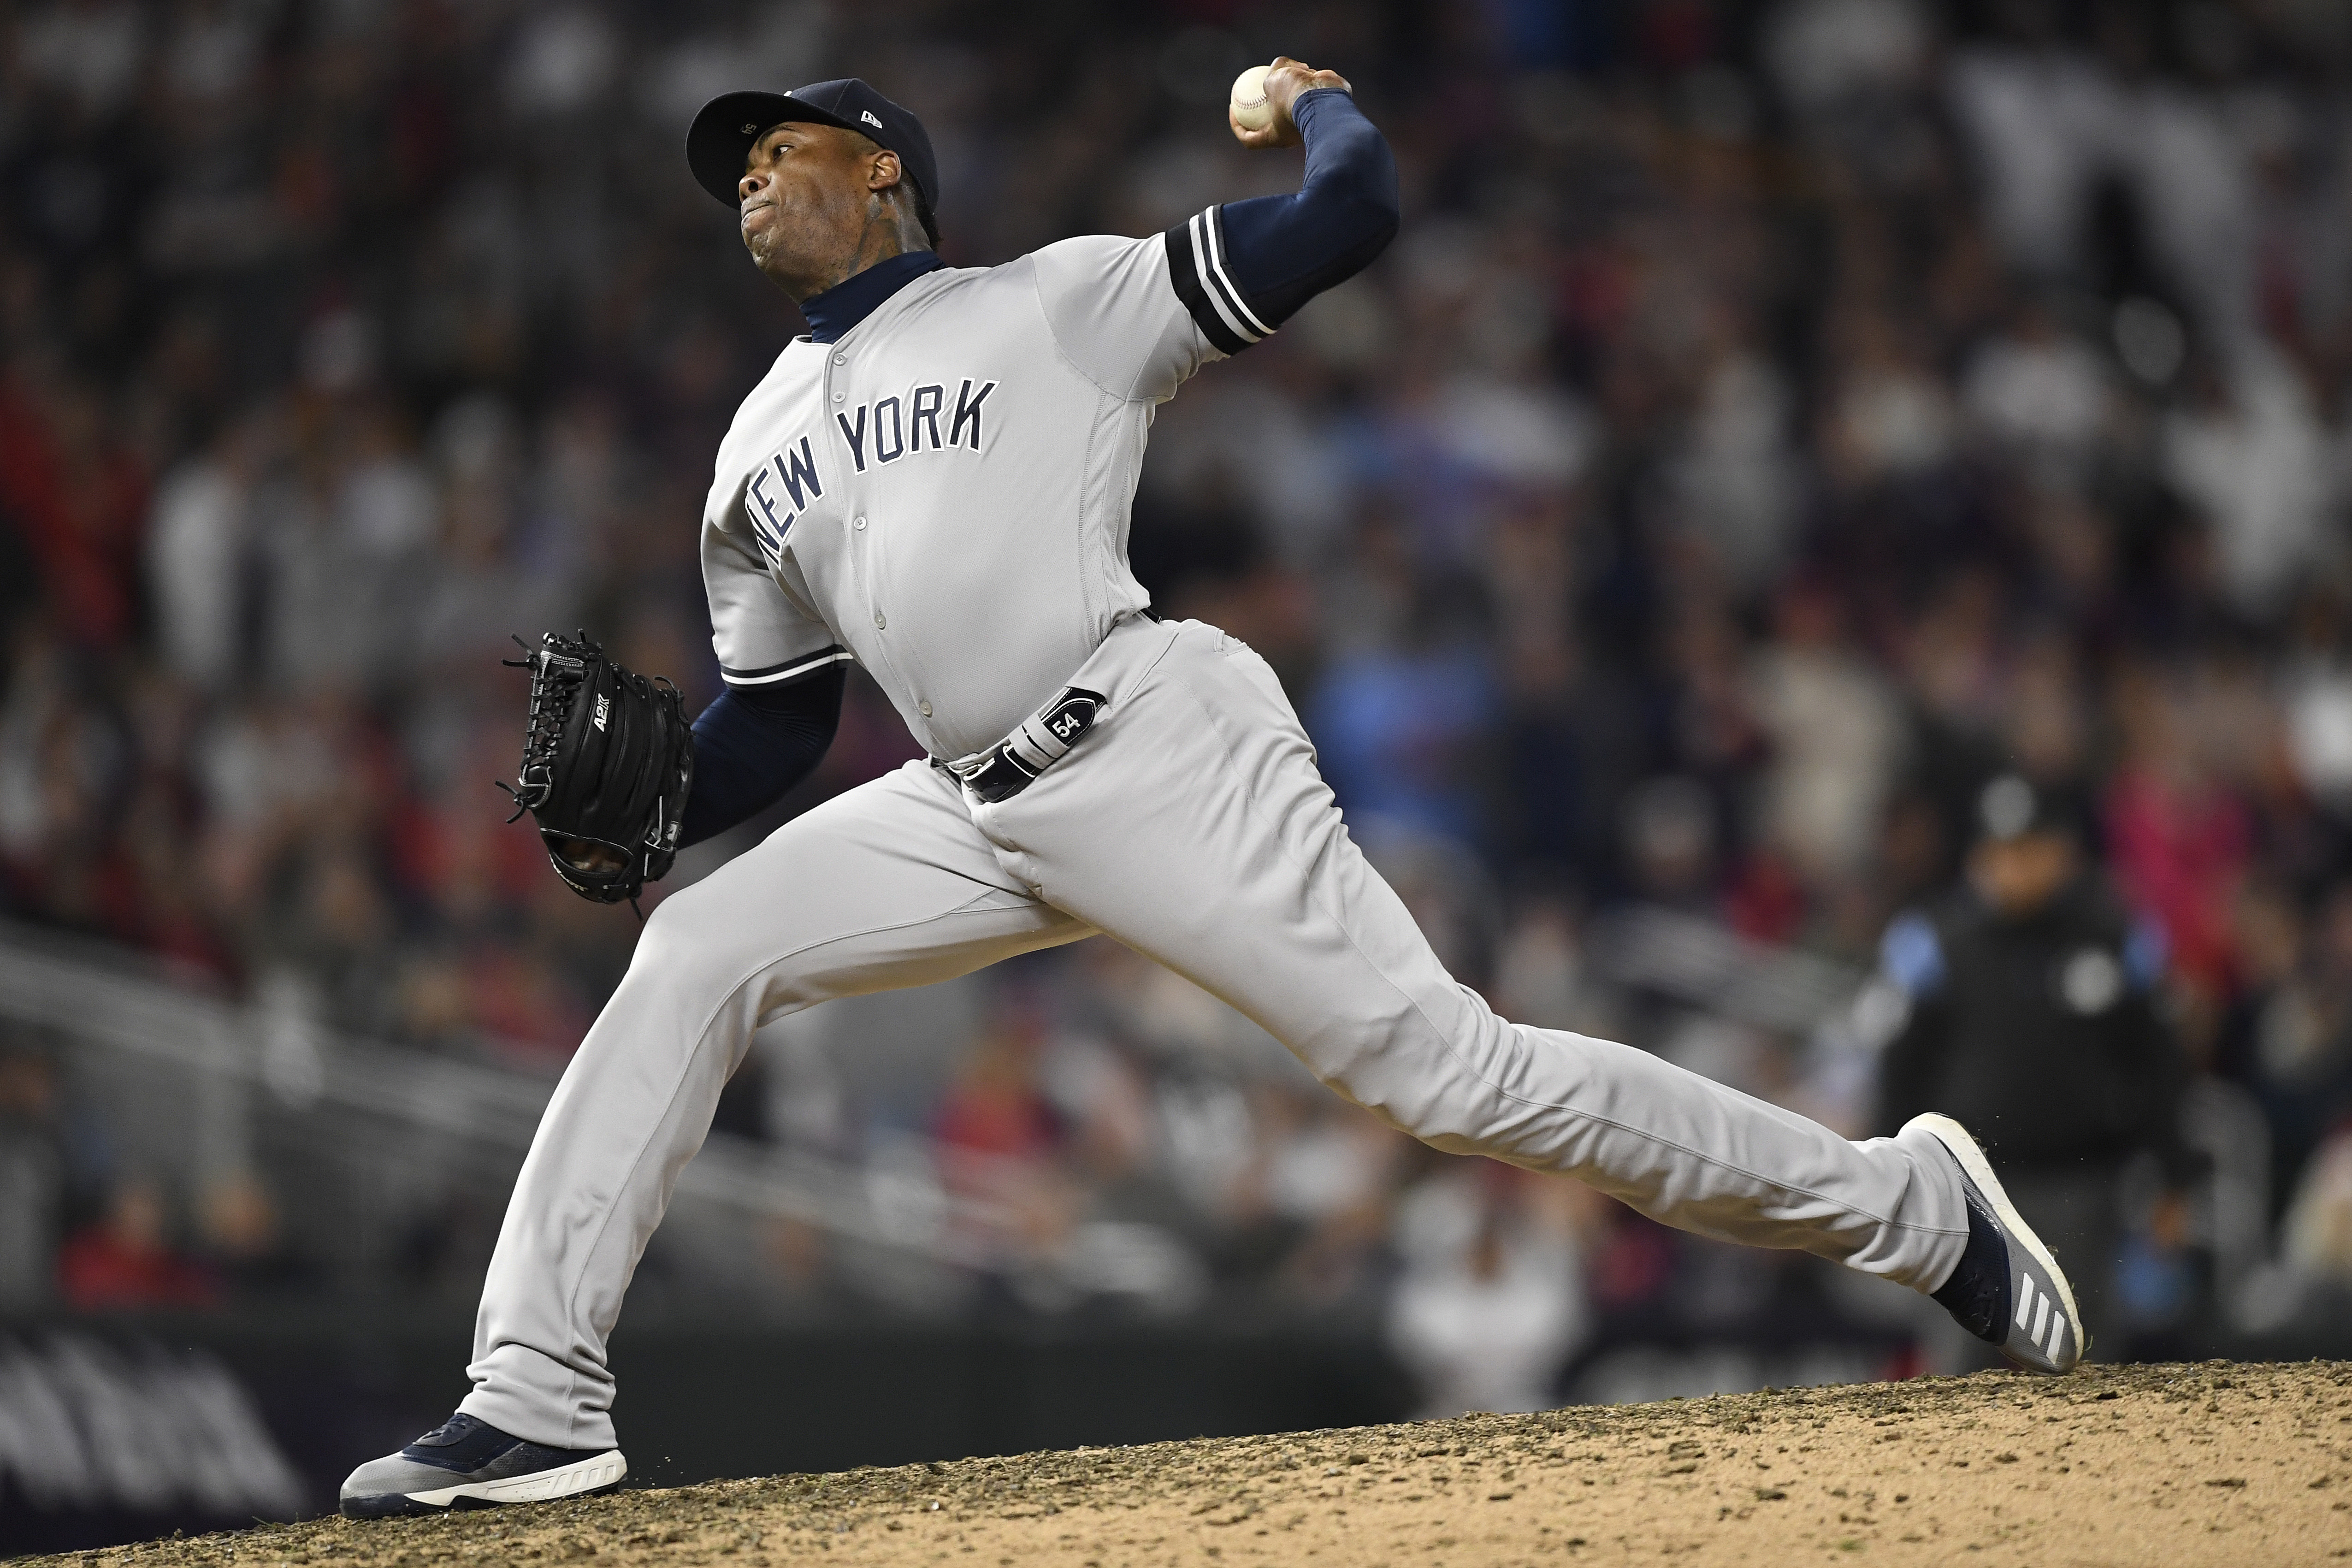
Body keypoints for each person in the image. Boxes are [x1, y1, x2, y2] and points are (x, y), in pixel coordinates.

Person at [340, 62, 2084, 1518]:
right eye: (735, 164)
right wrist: (642, 817)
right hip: (963, 803)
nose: (746, 180)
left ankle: (1908, 1205)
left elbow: (1349, 218)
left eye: (777, 150)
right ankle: (536, 1392)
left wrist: (1320, 105)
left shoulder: (1050, 303)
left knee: (1447, 1074)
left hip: (1152, 739)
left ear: (880, 174)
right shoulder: (745, 452)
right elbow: (774, 726)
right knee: (694, 944)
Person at [1876, 772, 2200, 1358]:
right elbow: (1897, 1071)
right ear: (1976, 859)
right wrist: (1889, 1180)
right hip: (1963, 1196)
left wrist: (2172, 1178)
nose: (2014, 868)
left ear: (2063, 851)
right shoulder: (1934, 942)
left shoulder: (2115, 932)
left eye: (2029, 850)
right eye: (1999, 853)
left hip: (2081, 1186)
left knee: (2083, 1361)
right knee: (1956, 1373)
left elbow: (2159, 1065)